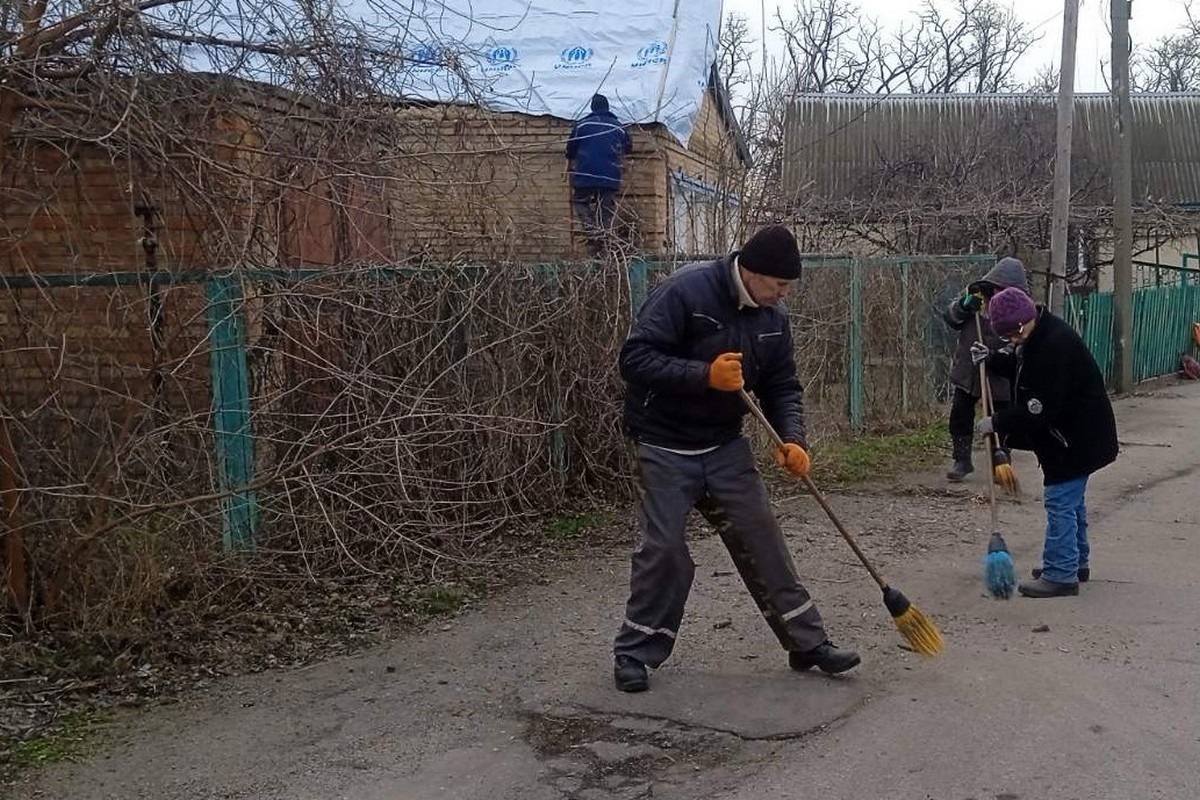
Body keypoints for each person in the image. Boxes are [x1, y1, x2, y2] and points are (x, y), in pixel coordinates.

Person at [611, 224, 860, 693]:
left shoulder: (773, 319)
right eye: (778, 285)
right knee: (662, 549)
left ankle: (807, 643)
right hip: (664, 443)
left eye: (788, 287)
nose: (783, 295)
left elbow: (783, 385)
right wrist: (704, 374)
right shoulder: (686, 291)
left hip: (724, 446)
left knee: (763, 537)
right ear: (750, 270)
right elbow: (636, 359)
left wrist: (794, 439)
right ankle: (635, 651)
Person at [971, 287, 1118, 598]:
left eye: (1011, 336)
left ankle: (1061, 573)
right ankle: (1075, 562)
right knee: (1072, 502)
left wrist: (996, 422)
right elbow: (1023, 367)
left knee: (1060, 501)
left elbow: (1038, 406)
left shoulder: (1054, 346)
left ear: (1023, 324)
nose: (1011, 342)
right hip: (1076, 436)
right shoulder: (1039, 334)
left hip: (1073, 440)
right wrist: (993, 359)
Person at [941, 257, 1031, 482]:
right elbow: (951, 318)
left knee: (1001, 418)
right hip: (969, 370)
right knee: (960, 414)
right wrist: (964, 305)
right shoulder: (977, 298)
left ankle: (1001, 461)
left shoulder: (1020, 308)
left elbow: (1021, 338)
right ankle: (962, 459)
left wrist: (1001, 355)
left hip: (1000, 371)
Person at [565, 93, 632, 257]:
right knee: (605, 209)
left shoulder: (581, 126)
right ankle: (604, 239)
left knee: (580, 201)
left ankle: (591, 231)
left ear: (592, 108)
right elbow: (629, 147)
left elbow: (570, 150)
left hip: (585, 175)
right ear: (607, 108)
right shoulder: (618, 127)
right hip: (610, 177)